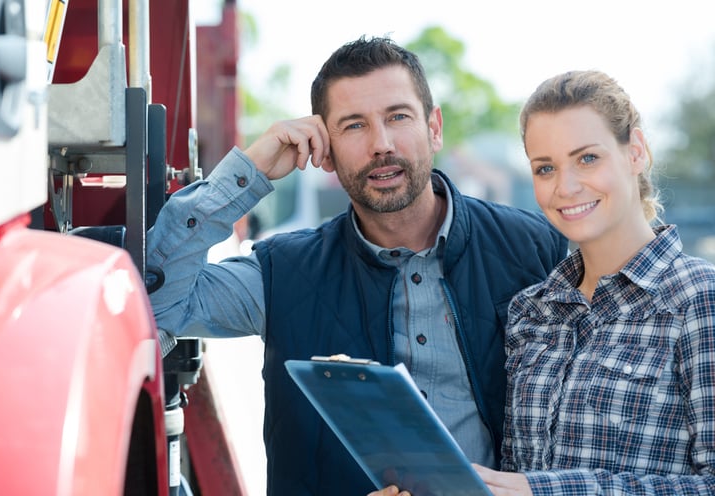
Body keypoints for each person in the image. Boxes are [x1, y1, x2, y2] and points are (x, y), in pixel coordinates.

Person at [147, 36, 567, 495]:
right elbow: (157, 305)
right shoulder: (285, 274)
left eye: (398, 117)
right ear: (323, 150)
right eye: (353, 126)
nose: (381, 145)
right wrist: (250, 171)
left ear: (435, 127)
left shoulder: (535, 248)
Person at [370, 70, 715, 496]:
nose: (565, 187)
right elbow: (514, 477)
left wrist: (548, 491)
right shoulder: (532, 311)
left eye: (587, 158)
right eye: (545, 168)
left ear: (636, 152)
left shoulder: (700, 300)